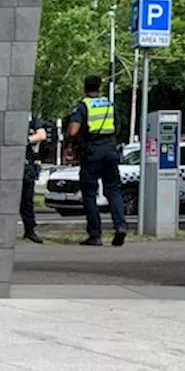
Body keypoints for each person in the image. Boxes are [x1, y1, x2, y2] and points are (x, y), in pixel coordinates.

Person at [66, 75, 127, 247]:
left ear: (84, 87)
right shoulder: (109, 104)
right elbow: (116, 128)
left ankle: (95, 235)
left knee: (90, 194)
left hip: (92, 152)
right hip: (110, 150)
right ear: (99, 87)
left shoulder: (82, 106)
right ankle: (120, 226)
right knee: (113, 191)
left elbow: (72, 131)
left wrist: (70, 144)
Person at [21, 113, 47, 243]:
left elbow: (42, 135)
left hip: (26, 162)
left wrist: (26, 140)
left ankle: (29, 230)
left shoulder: (30, 117)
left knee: (27, 200)